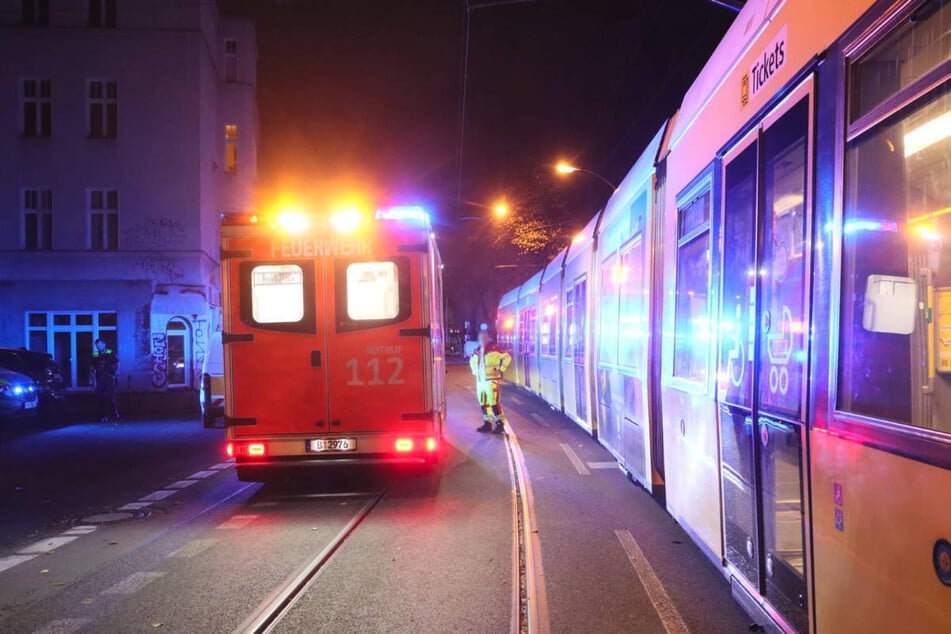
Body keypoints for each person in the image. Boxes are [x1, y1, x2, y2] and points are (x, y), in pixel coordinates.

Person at [469, 330, 512, 434]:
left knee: (493, 402)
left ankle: (500, 424)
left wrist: (501, 369)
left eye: (484, 337)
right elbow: (472, 361)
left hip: (491, 380)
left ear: (488, 338)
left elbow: (507, 357)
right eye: (480, 338)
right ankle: (487, 423)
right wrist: (474, 371)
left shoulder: (495, 349)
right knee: (483, 403)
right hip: (480, 381)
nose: (482, 340)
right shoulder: (477, 350)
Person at [91, 339, 119, 423]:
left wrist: (116, 374)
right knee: (101, 398)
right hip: (100, 378)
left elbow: (117, 363)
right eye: (97, 345)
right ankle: (103, 415)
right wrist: (93, 380)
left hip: (109, 377)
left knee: (110, 396)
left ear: (104, 344)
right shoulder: (95, 354)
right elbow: (92, 368)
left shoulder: (110, 352)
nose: (99, 347)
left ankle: (114, 411)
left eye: (100, 345)